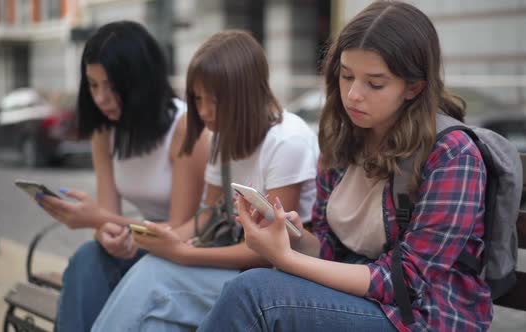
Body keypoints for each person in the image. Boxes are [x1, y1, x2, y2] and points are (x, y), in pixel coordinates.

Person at [198, 1, 493, 331]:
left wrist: (285, 258)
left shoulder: (452, 154)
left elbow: (406, 283)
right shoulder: (342, 143)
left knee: (253, 293)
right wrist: (293, 239)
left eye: (374, 83)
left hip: (423, 318)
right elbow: (331, 248)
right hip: (360, 302)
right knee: (250, 288)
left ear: (414, 86)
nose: (353, 94)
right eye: (347, 76)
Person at [91, 30, 320, 331]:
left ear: (246, 93)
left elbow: (271, 251)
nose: (204, 111)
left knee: (155, 279)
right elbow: (209, 215)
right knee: (157, 322)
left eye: (215, 100)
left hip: (276, 279)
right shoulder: (221, 137)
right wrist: (166, 236)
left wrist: (185, 253)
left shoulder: (287, 140)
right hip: (236, 266)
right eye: (197, 99)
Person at [35, 21, 211, 332]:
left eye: (112, 86)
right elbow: (110, 218)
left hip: (191, 249)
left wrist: (97, 220)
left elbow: (180, 229)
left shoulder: (184, 127)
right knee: (90, 256)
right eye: (93, 85)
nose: (101, 98)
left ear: (140, 83)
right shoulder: (105, 131)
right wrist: (106, 233)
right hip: (145, 241)